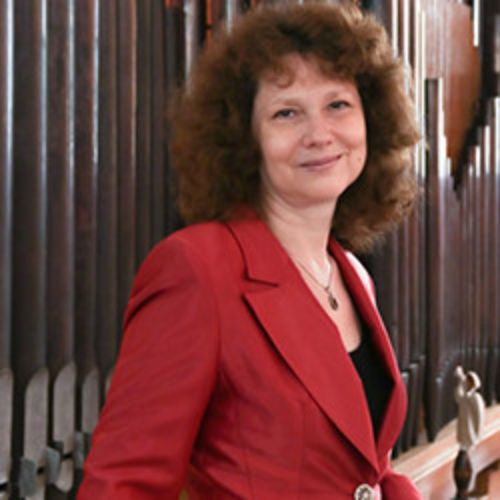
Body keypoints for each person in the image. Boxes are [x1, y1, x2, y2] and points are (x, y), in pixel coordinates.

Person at [78, 3, 422, 499]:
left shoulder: (351, 273)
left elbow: (363, 468)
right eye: (287, 113)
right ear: (245, 138)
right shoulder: (196, 269)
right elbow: (122, 485)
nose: (319, 134)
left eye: (338, 105)